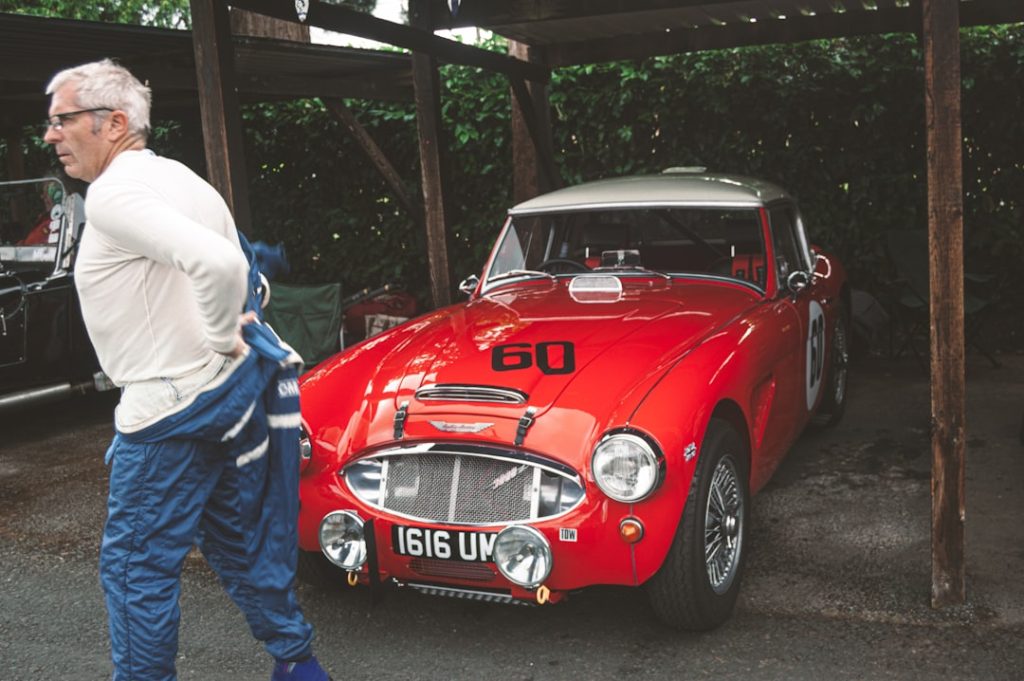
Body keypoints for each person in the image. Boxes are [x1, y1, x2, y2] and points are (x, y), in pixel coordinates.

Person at [43, 59, 333, 681]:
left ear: (113, 122)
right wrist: (223, 346)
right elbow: (251, 276)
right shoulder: (184, 180)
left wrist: (215, 338)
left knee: (134, 568)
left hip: (172, 408)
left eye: (62, 120)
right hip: (227, 398)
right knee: (235, 544)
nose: (51, 135)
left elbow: (223, 271)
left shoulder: (116, 193)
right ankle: (299, 665)